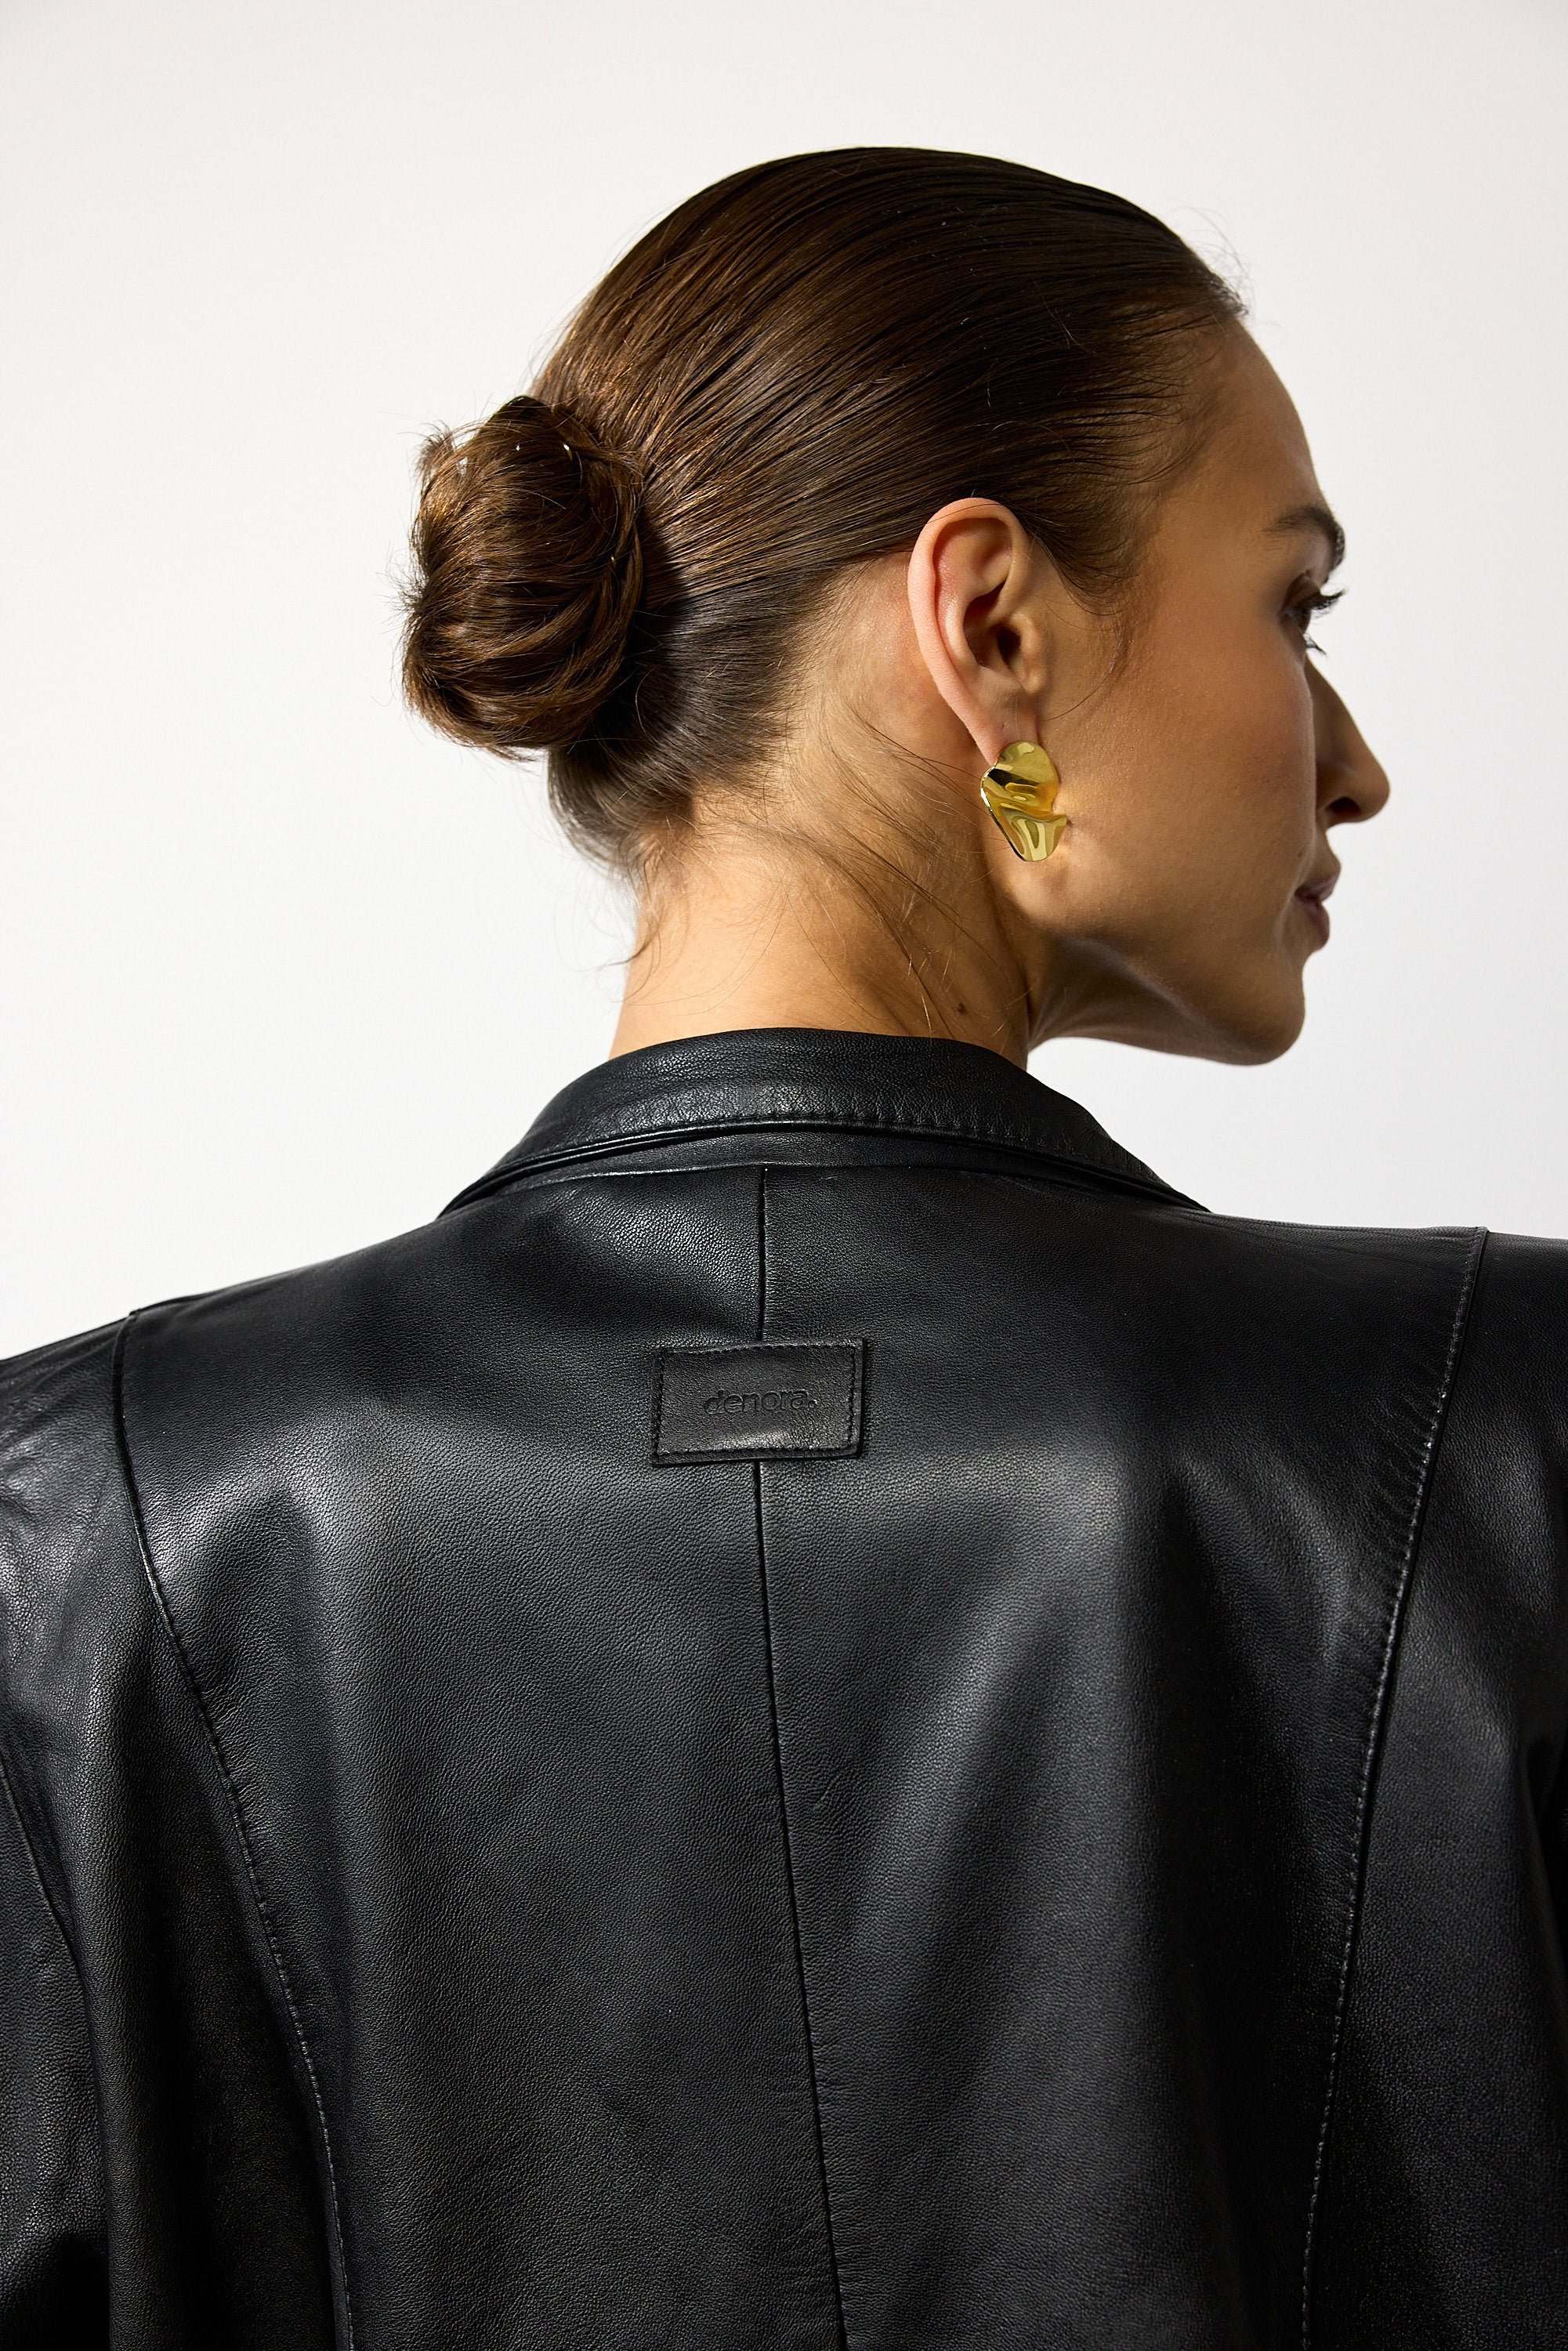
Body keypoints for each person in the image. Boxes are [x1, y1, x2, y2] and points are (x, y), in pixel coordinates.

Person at [1, 147, 1563, 2351]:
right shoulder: (1511, 1437)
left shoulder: (88, 1523)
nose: (1360, 765)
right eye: (1294, 608)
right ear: (992, 630)